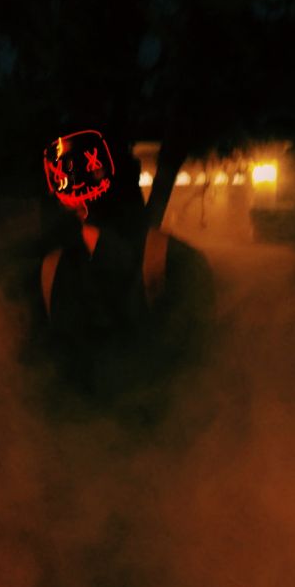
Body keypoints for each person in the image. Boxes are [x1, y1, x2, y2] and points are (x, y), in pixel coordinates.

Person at [31, 128, 214, 426]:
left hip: (164, 447)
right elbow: (46, 368)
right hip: (78, 447)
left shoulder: (171, 262)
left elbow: (201, 370)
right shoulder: (52, 268)